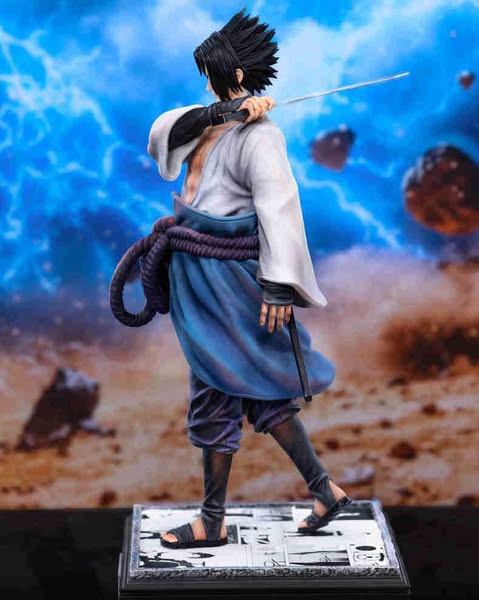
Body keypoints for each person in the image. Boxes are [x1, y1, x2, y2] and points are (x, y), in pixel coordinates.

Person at [146, 7, 351, 550]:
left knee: (218, 387)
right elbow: (162, 133)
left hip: (230, 279)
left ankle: (212, 520)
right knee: (251, 388)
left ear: (233, 74)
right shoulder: (205, 121)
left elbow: (279, 206)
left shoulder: (261, 138)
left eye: (210, 75)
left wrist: (278, 283)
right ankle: (323, 489)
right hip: (198, 276)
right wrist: (222, 110)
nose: (203, 85)